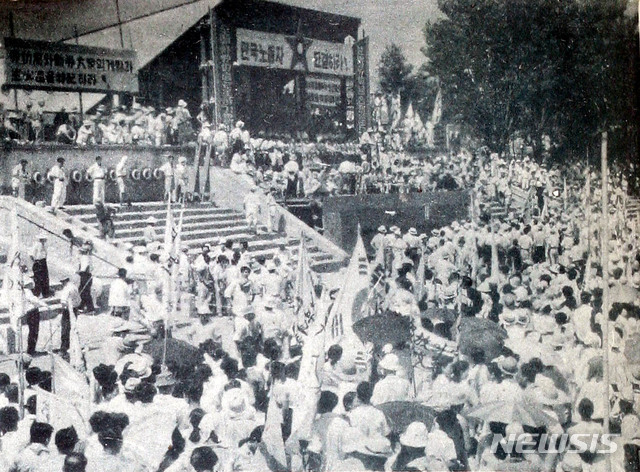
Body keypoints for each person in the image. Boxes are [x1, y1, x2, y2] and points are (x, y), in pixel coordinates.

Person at [23, 280, 50, 356]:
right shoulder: (27, 291)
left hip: (32, 312)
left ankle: (31, 349)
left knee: (33, 331)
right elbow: (34, 300)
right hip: (32, 312)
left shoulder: (27, 291)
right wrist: (45, 305)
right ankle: (31, 350)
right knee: (33, 331)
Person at [58, 276, 81, 355]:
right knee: (72, 327)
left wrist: (62, 310)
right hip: (75, 309)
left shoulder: (66, 289)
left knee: (65, 329)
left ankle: (64, 348)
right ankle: (71, 346)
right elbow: (79, 300)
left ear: (64, 281)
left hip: (68, 310)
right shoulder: (74, 287)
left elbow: (63, 301)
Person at [30, 233, 51, 298]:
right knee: (38, 279)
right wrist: (35, 262)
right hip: (38, 262)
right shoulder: (36, 245)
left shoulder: (44, 245)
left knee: (45, 278)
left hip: (43, 262)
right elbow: (31, 254)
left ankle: (45, 293)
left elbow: (45, 254)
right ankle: (37, 293)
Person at [77, 242, 95, 314]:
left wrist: (78, 271)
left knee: (85, 292)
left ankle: (91, 309)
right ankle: (81, 307)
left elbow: (84, 268)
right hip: (87, 275)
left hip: (85, 275)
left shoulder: (84, 258)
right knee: (83, 291)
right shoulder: (88, 257)